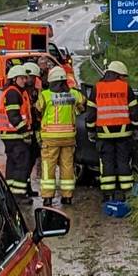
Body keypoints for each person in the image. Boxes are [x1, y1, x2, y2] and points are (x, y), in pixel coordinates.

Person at [86, 60, 138, 202]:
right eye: (123, 77)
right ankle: (126, 193)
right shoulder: (125, 88)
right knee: (123, 162)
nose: (124, 79)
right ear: (118, 74)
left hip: (103, 134)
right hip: (124, 134)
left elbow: (91, 113)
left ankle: (108, 195)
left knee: (107, 163)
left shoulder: (97, 88)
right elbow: (134, 111)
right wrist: (136, 128)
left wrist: (90, 130)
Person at [36, 66, 83, 206]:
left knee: (48, 167)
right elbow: (83, 105)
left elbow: (38, 110)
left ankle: (47, 198)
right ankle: (67, 196)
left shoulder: (45, 95)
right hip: (69, 137)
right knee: (67, 166)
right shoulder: (74, 94)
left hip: (50, 138)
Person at [0, 64, 34, 200]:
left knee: (12, 163)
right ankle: (18, 195)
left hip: (10, 135)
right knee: (22, 164)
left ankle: (10, 194)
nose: (25, 80)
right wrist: (25, 132)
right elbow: (14, 116)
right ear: (14, 79)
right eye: (22, 78)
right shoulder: (13, 93)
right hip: (15, 135)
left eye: (25, 78)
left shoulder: (15, 92)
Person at [21, 61, 44, 196]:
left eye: (33, 77)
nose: (31, 80)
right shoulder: (20, 91)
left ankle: (27, 187)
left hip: (34, 128)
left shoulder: (35, 89)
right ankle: (23, 188)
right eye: (30, 77)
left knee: (32, 157)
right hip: (24, 131)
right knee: (25, 160)